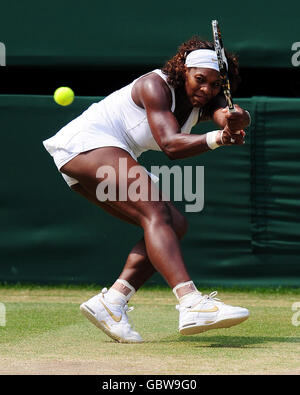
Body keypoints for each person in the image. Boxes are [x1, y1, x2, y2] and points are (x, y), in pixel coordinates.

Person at [43, 36, 251, 343]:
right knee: (155, 212)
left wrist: (237, 119)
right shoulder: (155, 85)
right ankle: (190, 302)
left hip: (92, 159)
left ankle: (112, 302)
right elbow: (170, 145)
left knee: (174, 223)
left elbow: (227, 115)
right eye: (200, 80)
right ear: (183, 70)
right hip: (85, 144)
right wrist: (218, 138)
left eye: (216, 84)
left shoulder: (208, 98)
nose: (207, 89)